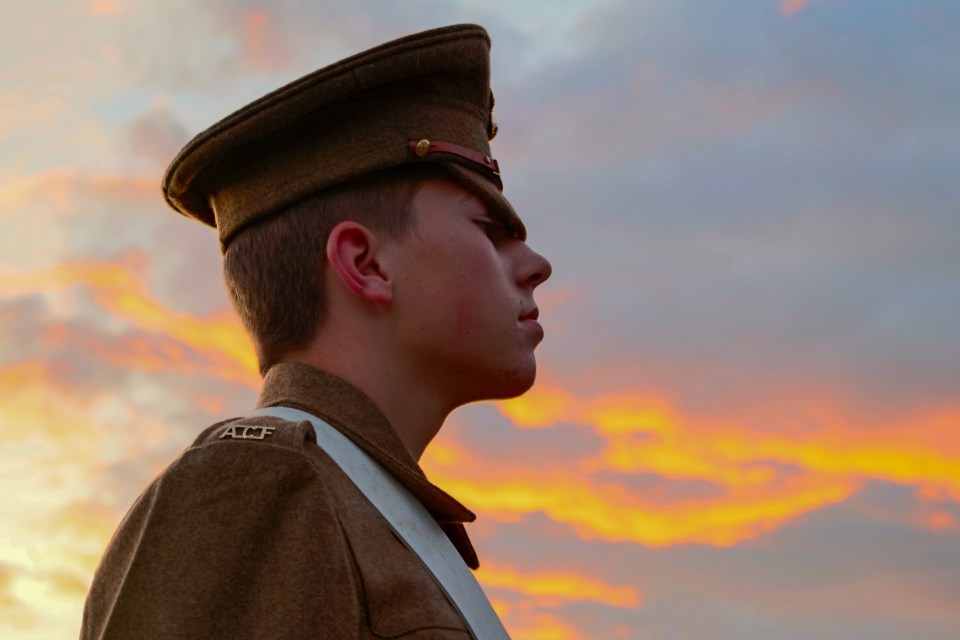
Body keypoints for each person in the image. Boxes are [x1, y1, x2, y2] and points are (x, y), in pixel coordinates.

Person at [81, 24, 551, 640]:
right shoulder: (254, 486)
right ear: (366, 264)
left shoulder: (357, 504)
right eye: (487, 229)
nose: (536, 266)